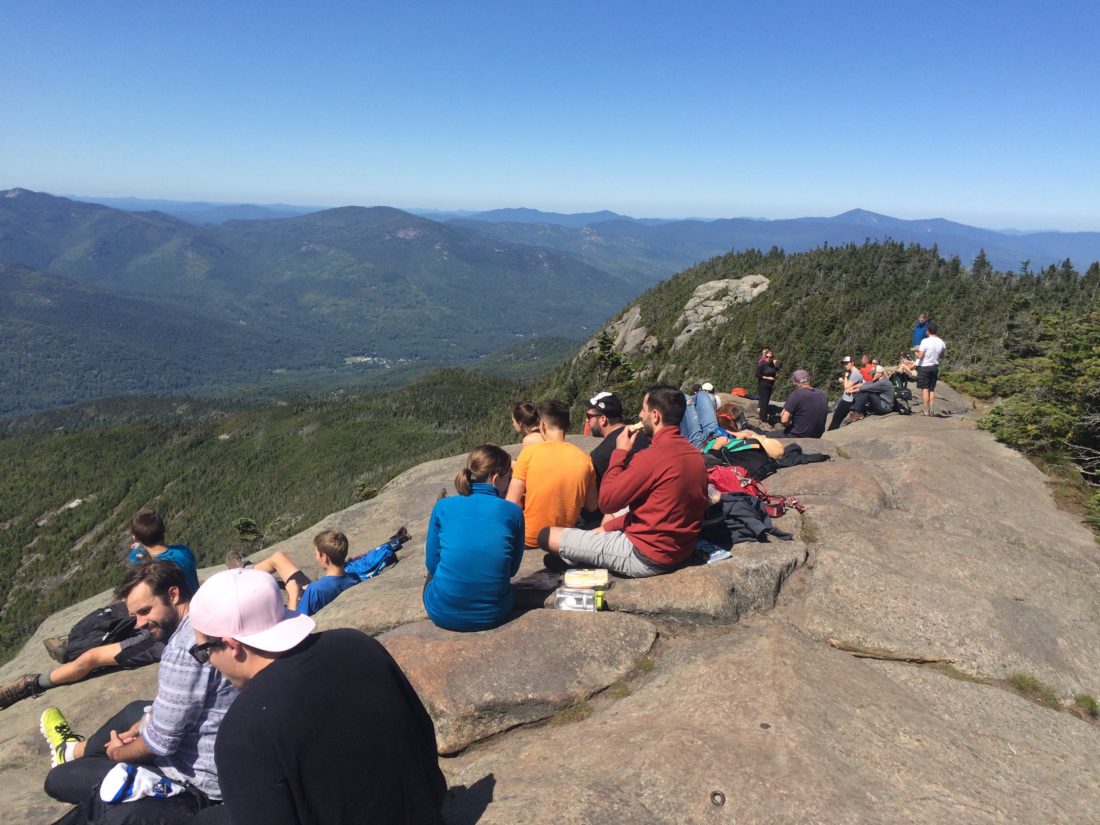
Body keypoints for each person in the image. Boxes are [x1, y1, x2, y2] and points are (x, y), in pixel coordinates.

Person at [187, 568, 446, 824]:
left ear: (232, 645)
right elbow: (424, 738)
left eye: (204, 651)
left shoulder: (242, 732)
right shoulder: (357, 643)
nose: (208, 662)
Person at [40, 561, 236, 822]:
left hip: (196, 780)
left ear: (173, 595)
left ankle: (86, 764)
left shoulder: (183, 652)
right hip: (215, 746)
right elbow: (185, 703)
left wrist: (118, 753)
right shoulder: (207, 619)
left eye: (145, 611)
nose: (139, 624)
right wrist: (142, 727)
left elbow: (161, 743)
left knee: (60, 779)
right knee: (136, 713)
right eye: (135, 616)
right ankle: (73, 751)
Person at [0, 508, 198, 710]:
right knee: (121, 616)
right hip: (173, 612)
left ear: (135, 537)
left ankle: (33, 682)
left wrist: (138, 553)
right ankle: (69, 648)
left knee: (94, 655)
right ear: (163, 530)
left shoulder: (152, 567)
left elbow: (135, 569)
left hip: (163, 636)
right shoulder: (184, 552)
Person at [538, 385, 708, 578]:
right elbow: (657, 510)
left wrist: (619, 452)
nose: (640, 415)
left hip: (643, 555)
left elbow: (607, 502)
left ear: (655, 416)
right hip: (680, 549)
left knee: (546, 535)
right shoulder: (695, 455)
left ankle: (578, 557)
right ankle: (577, 554)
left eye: (643, 410)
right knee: (609, 521)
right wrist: (606, 528)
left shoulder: (651, 457)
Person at [423, 445, 525, 631]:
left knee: (434, 572)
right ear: (496, 479)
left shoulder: (443, 506)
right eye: (508, 477)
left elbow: (432, 564)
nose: (509, 482)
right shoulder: (513, 512)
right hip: (495, 613)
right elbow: (512, 570)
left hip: (442, 612)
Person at [506, 399, 597, 548]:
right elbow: (592, 506)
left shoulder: (528, 454)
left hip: (529, 538)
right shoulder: (585, 460)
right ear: (568, 426)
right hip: (563, 538)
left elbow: (510, 504)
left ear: (542, 426)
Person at [228, 529, 360, 616]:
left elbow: (294, 624)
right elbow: (331, 587)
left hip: (305, 601)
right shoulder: (353, 578)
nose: (316, 558)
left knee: (277, 561)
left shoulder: (315, 590)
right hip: (319, 591)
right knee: (278, 557)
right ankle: (244, 570)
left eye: (316, 554)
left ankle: (241, 573)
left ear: (324, 557)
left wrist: (293, 594)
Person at [586, 392, 650, 489]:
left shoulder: (599, 455)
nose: (587, 420)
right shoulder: (645, 436)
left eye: (589, 416)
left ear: (603, 419)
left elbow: (600, 494)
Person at [780, 369, 828, 438]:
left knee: (767, 436)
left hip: (798, 435)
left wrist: (788, 426)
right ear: (809, 379)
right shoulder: (823, 394)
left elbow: (784, 420)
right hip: (817, 435)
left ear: (794, 382)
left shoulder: (796, 394)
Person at [915, 321, 946, 415]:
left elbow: (920, 356)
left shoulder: (925, 341)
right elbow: (942, 356)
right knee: (931, 389)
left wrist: (916, 353)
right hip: (934, 366)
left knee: (925, 388)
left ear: (928, 331)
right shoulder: (941, 342)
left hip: (924, 367)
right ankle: (932, 409)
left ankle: (925, 410)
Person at [828, 356, 864, 431]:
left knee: (836, 419)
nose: (845, 365)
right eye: (844, 363)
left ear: (852, 363)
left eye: (846, 363)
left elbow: (847, 387)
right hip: (848, 399)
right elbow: (850, 386)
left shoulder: (855, 374)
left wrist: (846, 377)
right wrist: (844, 381)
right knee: (837, 418)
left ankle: (830, 433)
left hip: (848, 400)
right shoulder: (853, 372)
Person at [756, 352, 779, 424]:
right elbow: (757, 375)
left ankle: (763, 417)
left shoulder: (772, 365)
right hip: (763, 384)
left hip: (770, 385)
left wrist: (775, 377)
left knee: (766, 401)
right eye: (767, 357)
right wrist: (767, 378)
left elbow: (775, 370)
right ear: (764, 357)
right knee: (764, 401)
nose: (768, 358)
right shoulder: (762, 365)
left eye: (770, 357)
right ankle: (763, 418)